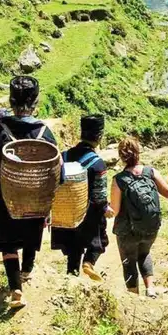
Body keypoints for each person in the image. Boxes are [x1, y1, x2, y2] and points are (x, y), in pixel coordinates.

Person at [0, 75, 58, 309]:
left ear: (11, 101)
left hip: (7, 198)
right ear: (36, 102)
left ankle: (16, 290)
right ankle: (27, 271)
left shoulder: (1, 131)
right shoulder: (45, 133)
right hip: (36, 199)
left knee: (8, 241)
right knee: (32, 233)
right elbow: (56, 171)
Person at [110, 136, 168, 298]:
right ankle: (150, 289)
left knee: (129, 261)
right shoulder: (151, 172)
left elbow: (115, 211)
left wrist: (103, 207)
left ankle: (134, 297)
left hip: (127, 231)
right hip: (150, 227)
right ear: (138, 152)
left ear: (121, 156)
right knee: (144, 253)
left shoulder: (118, 180)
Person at [51, 115, 113, 281]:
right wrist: (105, 208)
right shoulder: (98, 163)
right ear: (99, 136)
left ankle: (72, 274)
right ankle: (89, 263)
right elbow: (99, 195)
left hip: (66, 214)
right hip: (88, 217)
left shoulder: (63, 156)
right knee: (101, 242)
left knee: (73, 248)